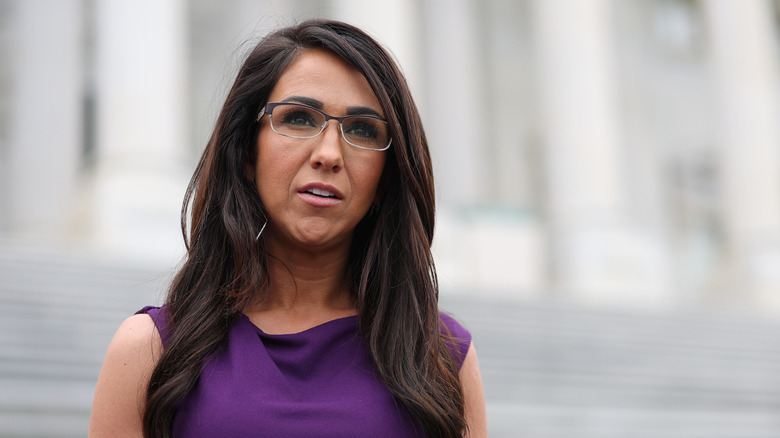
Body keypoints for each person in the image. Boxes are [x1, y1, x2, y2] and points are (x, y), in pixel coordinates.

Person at [89, 19, 486, 438]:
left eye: (362, 129)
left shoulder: (444, 357)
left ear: (386, 174)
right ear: (246, 150)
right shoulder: (148, 352)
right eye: (298, 118)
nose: (329, 154)